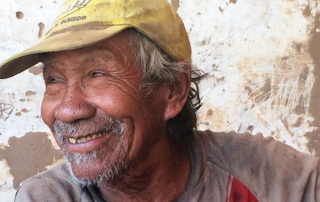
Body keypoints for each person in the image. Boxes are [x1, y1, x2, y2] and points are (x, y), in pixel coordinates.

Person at [1, 0, 320, 201]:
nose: (67, 110)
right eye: (54, 80)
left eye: (97, 73)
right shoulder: (45, 197)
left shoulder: (276, 179)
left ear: (172, 91)